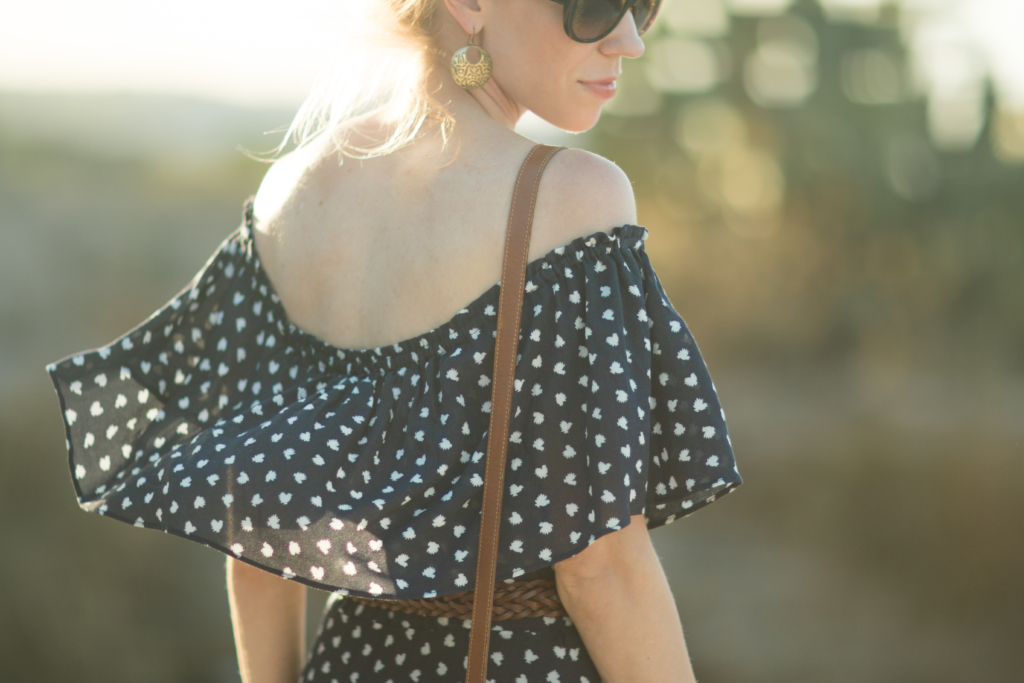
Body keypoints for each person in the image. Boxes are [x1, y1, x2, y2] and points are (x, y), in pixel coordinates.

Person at [45, 0, 742, 681]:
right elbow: (600, 571)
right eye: (592, 7)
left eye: (643, 6)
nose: (629, 40)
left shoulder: (289, 193)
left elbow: (256, 536)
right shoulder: (572, 198)